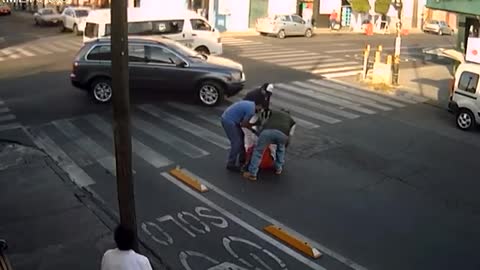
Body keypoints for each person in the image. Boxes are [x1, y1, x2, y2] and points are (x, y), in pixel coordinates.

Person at [243, 109, 296, 181]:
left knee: (258, 152)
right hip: (283, 135)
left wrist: (258, 132)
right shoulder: (292, 121)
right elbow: (289, 136)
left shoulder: (273, 112)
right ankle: (278, 168)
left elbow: (262, 122)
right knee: (280, 150)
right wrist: (285, 145)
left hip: (267, 132)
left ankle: (253, 174)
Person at [221, 98, 265, 172]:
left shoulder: (250, 104)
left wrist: (253, 127)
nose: (261, 110)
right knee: (237, 142)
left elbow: (243, 123)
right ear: (259, 105)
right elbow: (244, 124)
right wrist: (254, 129)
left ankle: (242, 159)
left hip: (230, 118)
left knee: (241, 137)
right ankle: (231, 163)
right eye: (261, 108)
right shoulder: (251, 111)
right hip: (229, 121)